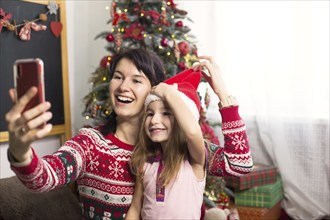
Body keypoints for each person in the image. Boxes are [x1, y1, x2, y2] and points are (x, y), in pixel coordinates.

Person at [5, 48, 253, 220]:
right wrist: (19, 150)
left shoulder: (181, 148)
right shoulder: (92, 143)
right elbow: (44, 178)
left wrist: (222, 93)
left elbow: (240, 164)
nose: (123, 86)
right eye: (118, 77)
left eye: (136, 80)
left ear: (156, 91)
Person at [126, 68, 206, 220]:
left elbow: (192, 132)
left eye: (166, 113)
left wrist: (168, 93)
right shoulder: (146, 164)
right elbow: (136, 208)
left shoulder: (194, 161)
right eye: (150, 114)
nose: (155, 120)